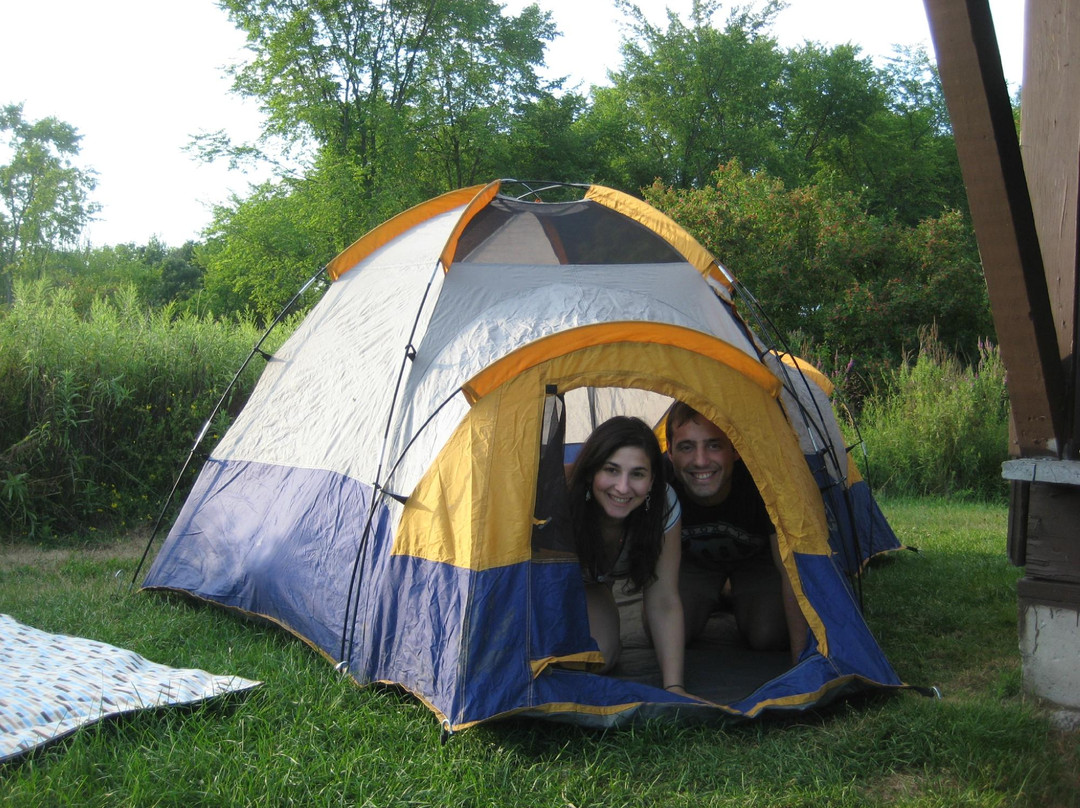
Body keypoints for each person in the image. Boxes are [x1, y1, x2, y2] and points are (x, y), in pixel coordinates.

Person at [665, 402, 809, 664]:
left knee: (768, 636)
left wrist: (803, 664)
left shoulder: (764, 481)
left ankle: (734, 593)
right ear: (670, 453)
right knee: (665, 632)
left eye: (714, 445)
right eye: (686, 447)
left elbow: (792, 572)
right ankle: (721, 593)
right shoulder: (655, 480)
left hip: (756, 561)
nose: (700, 461)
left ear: (735, 450)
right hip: (693, 563)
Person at [567, 416, 690, 697]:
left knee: (599, 656)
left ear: (652, 479)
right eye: (611, 470)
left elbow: (664, 600)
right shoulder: (559, 494)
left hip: (591, 584)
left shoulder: (663, 504)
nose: (622, 487)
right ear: (590, 471)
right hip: (543, 588)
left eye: (637, 474)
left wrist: (674, 687)